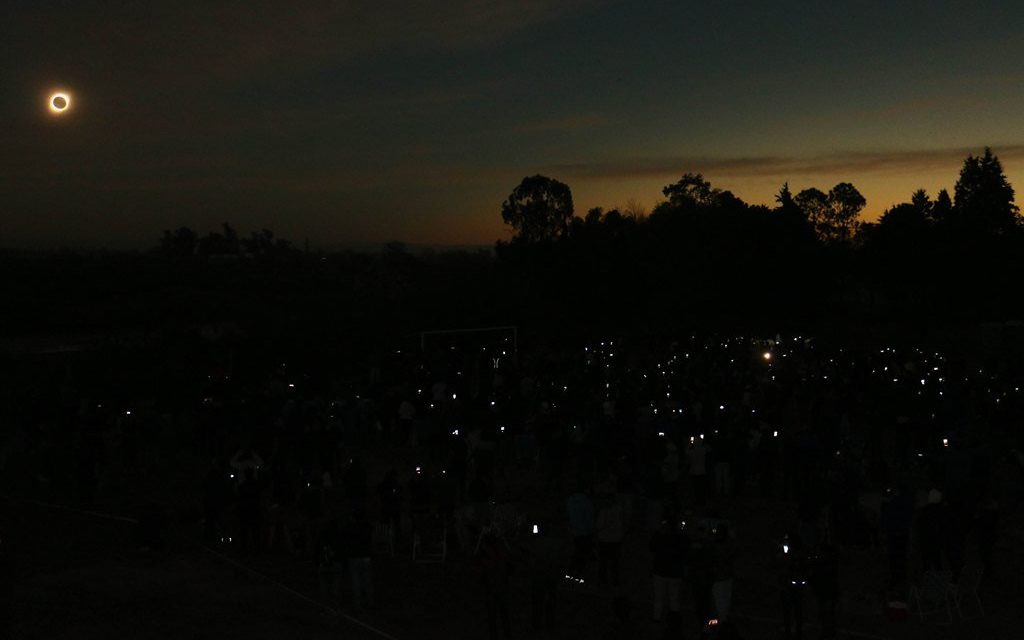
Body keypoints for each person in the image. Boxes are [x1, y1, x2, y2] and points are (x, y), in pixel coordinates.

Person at [650, 514, 687, 623]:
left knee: (659, 598)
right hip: (674, 572)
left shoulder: (660, 534)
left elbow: (651, 547)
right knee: (674, 598)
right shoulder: (681, 536)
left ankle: (657, 618)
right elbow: (686, 552)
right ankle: (674, 620)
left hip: (660, 570)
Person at [477, 532, 512, 640]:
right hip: (500, 587)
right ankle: (506, 635)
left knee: (493, 616)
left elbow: (482, 572)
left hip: (492, 589)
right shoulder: (501, 553)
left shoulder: (487, 556)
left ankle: (496, 636)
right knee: (503, 614)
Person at [344, 507, 374, 610]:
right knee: (367, 580)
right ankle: (369, 602)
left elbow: (347, 541)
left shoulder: (350, 527)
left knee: (356, 582)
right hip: (366, 556)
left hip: (354, 556)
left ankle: (358, 604)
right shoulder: (367, 526)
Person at [596, 492, 625, 586]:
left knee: (603, 562)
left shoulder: (603, 511)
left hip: (604, 540)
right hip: (616, 539)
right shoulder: (619, 510)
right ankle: (615, 581)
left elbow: (599, 525)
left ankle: (603, 582)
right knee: (615, 562)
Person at [567, 482, 595, 577]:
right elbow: (590, 518)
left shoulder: (570, 500)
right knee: (582, 552)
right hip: (584, 531)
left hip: (574, 530)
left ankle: (572, 570)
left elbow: (568, 515)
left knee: (577, 550)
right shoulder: (587, 501)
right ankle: (577, 571)